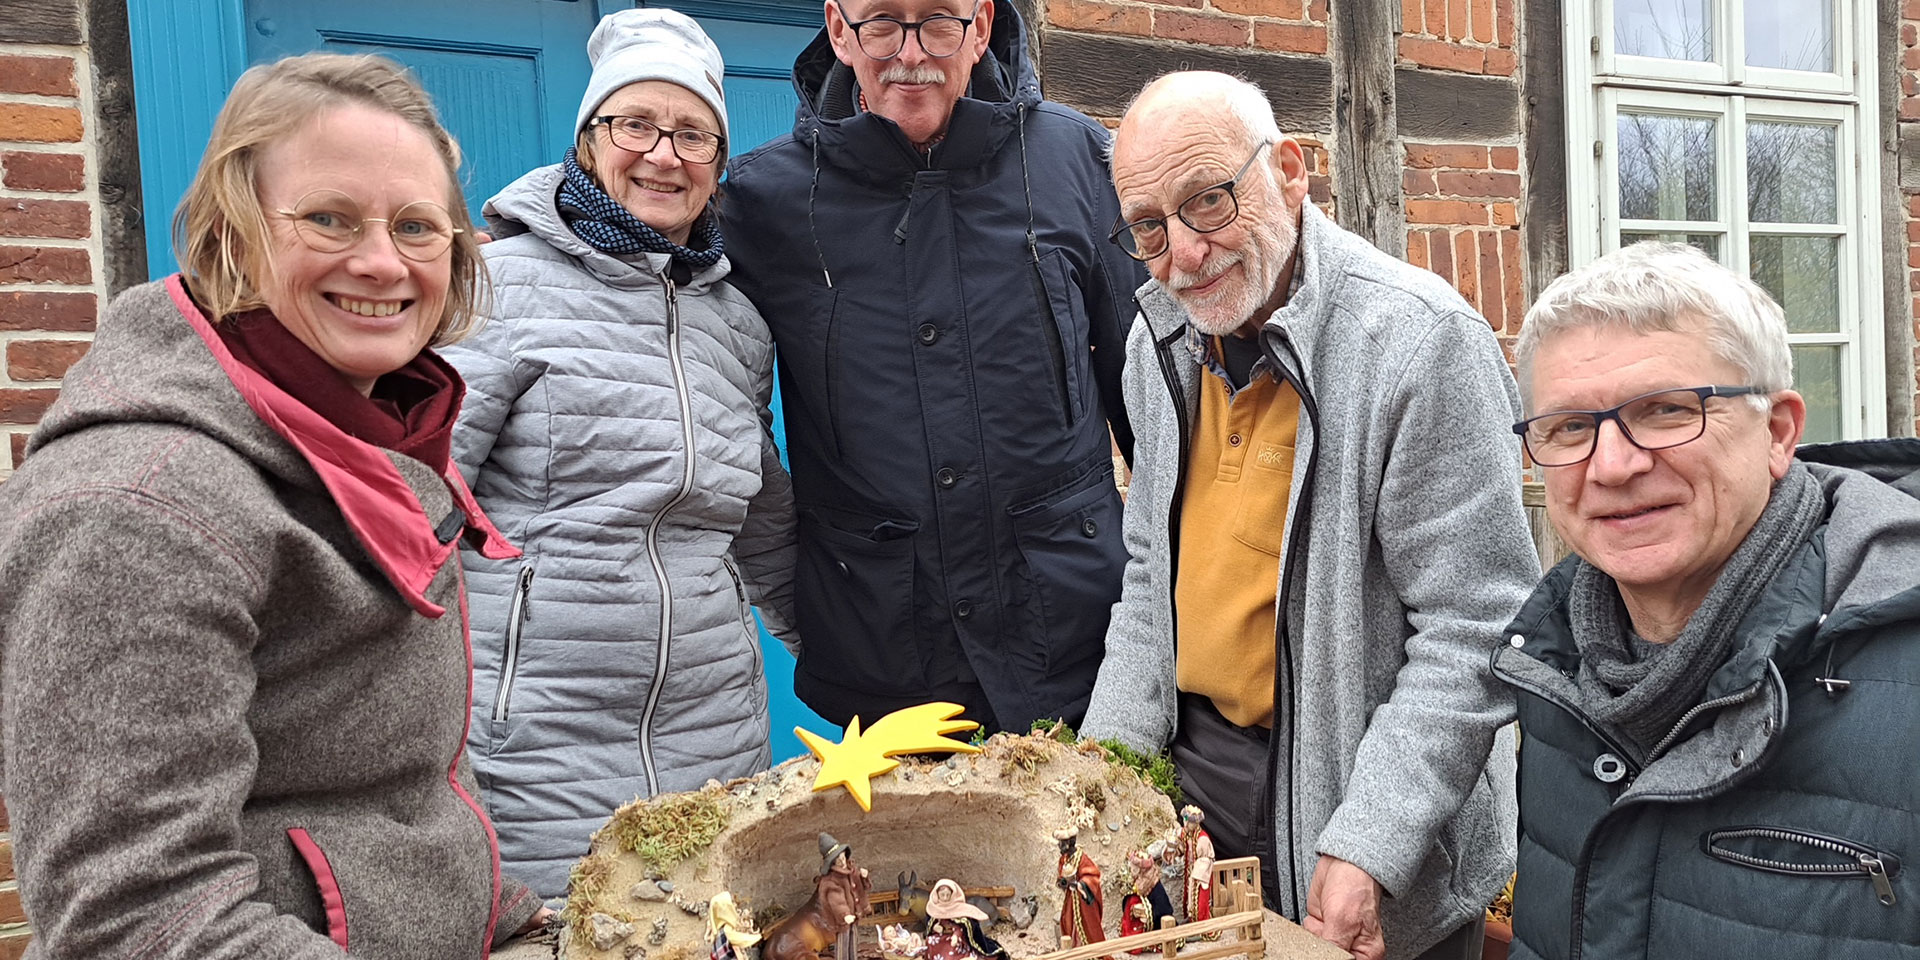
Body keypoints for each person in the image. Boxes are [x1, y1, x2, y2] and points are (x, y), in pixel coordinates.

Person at [0, 53, 549, 956]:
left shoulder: (363, 435)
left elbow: (400, 798)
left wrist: (520, 923)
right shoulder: (137, 512)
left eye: (417, 227)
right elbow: (134, 920)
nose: (381, 261)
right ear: (231, 233)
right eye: (330, 218)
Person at [1080, 71, 1540, 960]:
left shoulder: (1419, 342)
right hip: (1196, 783)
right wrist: (1106, 782)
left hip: (1355, 794)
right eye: (1148, 226)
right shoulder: (1158, 341)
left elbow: (1476, 628)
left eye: (1208, 202)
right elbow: (1149, 588)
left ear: (1289, 170)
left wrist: (1370, 841)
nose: (1183, 253)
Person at [444, 8, 798, 900]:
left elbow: (757, 519)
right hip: (537, 738)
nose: (663, 154)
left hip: (714, 731)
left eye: (692, 134)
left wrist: (836, 650)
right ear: (589, 140)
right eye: (635, 125)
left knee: (711, 928)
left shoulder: (737, 324)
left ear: (719, 164)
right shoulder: (500, 288)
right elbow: (416, 502)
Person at [717, 0, 1145, 733]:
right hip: (886, 663)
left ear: (981, 25)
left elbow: (1154, 401)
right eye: (881, 21)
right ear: (838, 29)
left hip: (1078, 648)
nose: (909, 52)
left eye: (938, 21)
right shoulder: (763, 202)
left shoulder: (1077, 162)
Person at [1494, 241, 1920, 959]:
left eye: (1664, 410)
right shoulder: (1551, 667)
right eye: (1569, 427)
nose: (1613, 465)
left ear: (1778, 431)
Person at [923, 878, 1009, 960]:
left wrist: (956, 935)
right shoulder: (934, 907)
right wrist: (935, 927)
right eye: (942, 895)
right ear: (937, 894)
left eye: (948, 895)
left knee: (953, 947)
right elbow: (930, 923)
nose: (945, 898)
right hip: (940, 936)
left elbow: (964, 925)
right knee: (930, 941)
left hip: (955, 937)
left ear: (952, 895)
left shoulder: (958, 908)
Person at [1054, 827, 1105, 946]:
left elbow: (1093, 876)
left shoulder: (1082, 859)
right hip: (1071, 899)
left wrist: (1079, 885)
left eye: (1062, 842)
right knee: (1068, 921)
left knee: (1089, 927)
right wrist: (1063, 882)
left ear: (1070, 842)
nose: (1059, 845)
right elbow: (1061, 875)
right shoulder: (1064, 859)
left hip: (1083, 902)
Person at [1119, 849, 1175, 945]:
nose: (1131, 870)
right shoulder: (1139, 882)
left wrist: (1146, 914)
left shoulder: (1152, 885)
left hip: (1158, 923)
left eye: (1133, 867)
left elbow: (1164, 910)